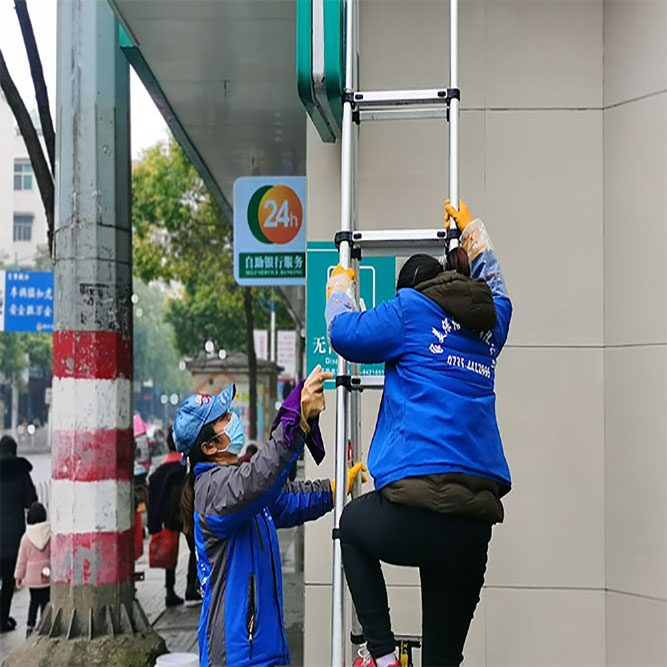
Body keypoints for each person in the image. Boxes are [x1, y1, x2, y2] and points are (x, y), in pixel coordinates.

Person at [325, 200, 512, 667]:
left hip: (418, 509)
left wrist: (339, 290)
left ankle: (385, 658)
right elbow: (500, 292)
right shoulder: (488, 321)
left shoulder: (410, 310)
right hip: (474, 525)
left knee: (351, 527)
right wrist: (475, 236)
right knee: (443, 661)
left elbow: (345, 333)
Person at [174, 366, 365, 667]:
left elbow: (287, 499)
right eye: (223, 419)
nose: (232, 420)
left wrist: (335, 488)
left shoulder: (238, 489)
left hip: (265, 652)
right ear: (209, 447)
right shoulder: (212, 490)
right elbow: (260, 477)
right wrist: (296, 421)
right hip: (239, 657)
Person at [147, 430, 201, 607]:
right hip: (184, 514)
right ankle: (190, 587)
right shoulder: (182, 465)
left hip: (168, 516)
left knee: (170, 553)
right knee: (195, 549)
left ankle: (170, 591)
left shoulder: (162, 467)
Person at [0, 435, 37, 633]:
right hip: (14, 538)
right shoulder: (21, 472)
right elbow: (31, 501)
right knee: (8, 581)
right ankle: (2, 619)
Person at [14, 501, 50, 637]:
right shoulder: (50, 535)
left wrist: (18, 576)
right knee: (46, 600)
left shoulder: (26, 538)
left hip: (33, 578)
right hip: (47, 574)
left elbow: (22, 560)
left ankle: (30, 626)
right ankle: (45, 624)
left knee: (33, 601)